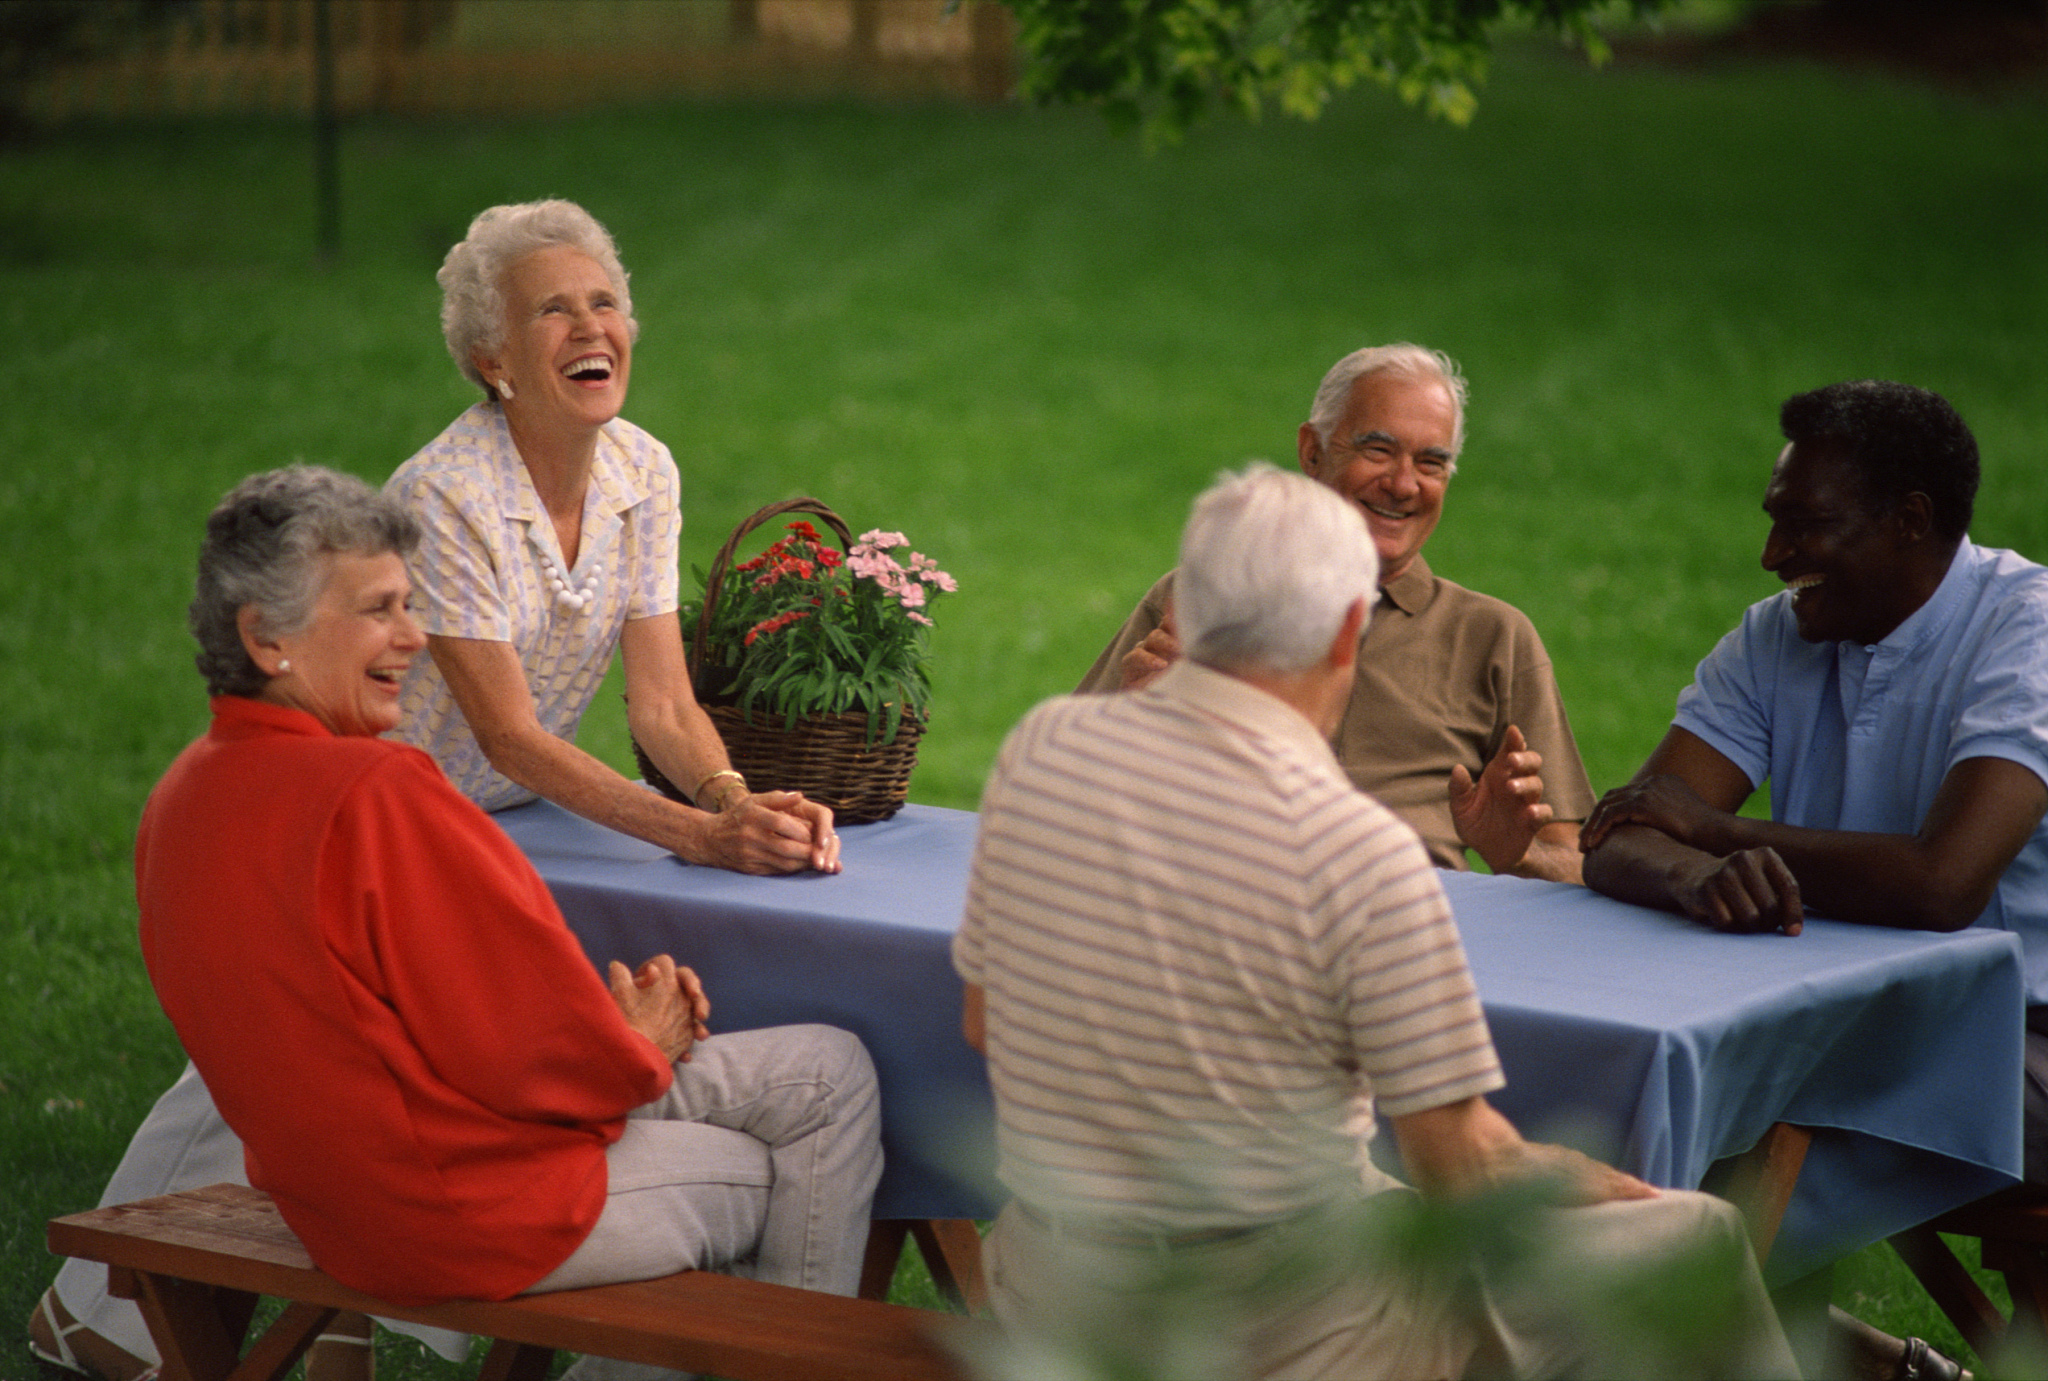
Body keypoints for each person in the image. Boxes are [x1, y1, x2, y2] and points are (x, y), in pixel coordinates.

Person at [33, 468, 882, 1381]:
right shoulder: (378, 792)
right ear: (265, 636)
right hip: (461, 1212)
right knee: (799, 1146)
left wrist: (615, 1040)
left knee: (821, 1075)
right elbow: (528, 1055)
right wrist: (641, 1038)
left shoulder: (182, 793)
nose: (412, 635)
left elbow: (438, 1024)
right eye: (378, 610)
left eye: (410, 603)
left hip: (340, 1194)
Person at [961, 462, 1795, 1379]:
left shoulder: (1041, 748)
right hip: (1275, 1330)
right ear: (1351, 626)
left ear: (1185, 609)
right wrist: (1605, 1181)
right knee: (1698, 1240)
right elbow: (1462, 1172)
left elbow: (983, 1021)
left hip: (1047, 1289)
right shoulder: (1353, 851)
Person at [1581, 378, 2045, 1380]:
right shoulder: (1775, 633)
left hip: (2015, 1038)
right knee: (1625, 1139)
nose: (1771, 554)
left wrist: (1714, 831)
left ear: (1908, 522)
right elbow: (1620, 829)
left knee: (1700, 1188)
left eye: (1805, 526)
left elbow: (1941, 884)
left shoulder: (2027, 634)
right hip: (1831, 1022)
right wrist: (1694, 877)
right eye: (1772, 521)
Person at [386, 198, 839, 875]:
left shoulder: (643, 470)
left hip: (518, 819)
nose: (589, 328)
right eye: (551, 310)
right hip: (389, 817)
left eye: (603, 303)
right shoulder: (444, 496)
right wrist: (699, 837)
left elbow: (663, 703)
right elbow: (509, 737)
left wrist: (733, 801)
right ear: (492, 360)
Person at [1077, 344, 1591, 883]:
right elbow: (1063, 798)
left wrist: (1517, 855)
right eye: (1378, 450)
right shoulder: (1202, 600)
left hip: (1399, 923)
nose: (1403, 483)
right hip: (1220, 909)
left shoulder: (1493, 637)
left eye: (1431, 462)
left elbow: (1571, 864)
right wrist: (1129, 731)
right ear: (1313, 451)